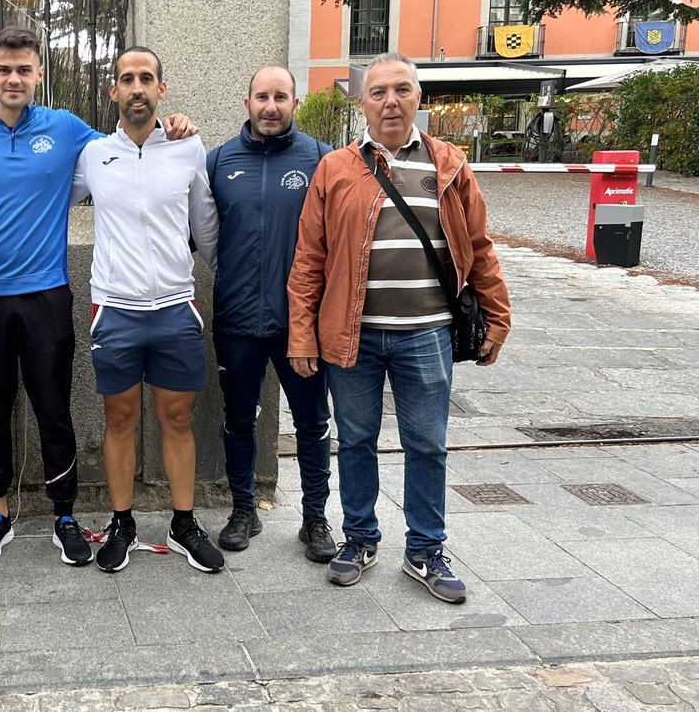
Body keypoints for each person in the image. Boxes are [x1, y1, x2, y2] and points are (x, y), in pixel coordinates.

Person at [0, 26, 195, 567]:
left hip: (47, 295)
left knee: (54, 409)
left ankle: (64, 515)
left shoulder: (67, 131)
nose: (14, 78)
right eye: (4, 69)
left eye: (23, 70)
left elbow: (128, 144)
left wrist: (175, 127)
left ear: (38, 76)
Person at [287, 53, 511, 604]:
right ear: (362, 104)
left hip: (427, 333)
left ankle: (425, 550)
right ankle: (360, 538)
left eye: (402, 90)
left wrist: (498, 316)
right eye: (379, 92)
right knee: (357, 440)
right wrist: (301, 333)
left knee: (427, 444)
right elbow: (309, 259)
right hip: (352, 334)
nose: (391, 101)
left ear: (418, 98)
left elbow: (479, 248)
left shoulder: (450, 165)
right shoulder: (335, 169)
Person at [70, 47, 223, 574]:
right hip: (115, 310)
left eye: (147, 79)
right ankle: (122, 523)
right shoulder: (93, 155)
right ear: (113, 91)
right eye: (126, 79)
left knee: (176, 418)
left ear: (161, 88)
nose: (137, 88)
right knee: (120, 417)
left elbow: (204, 224)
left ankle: (184, 524)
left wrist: (226, 276)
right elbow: (46, 200)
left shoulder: (188, 147)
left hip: (175, 309)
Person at [207, 66, 336, 562]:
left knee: (311, 421)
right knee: (239, 419)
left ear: (294, 103)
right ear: (247, 103)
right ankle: (244, 509)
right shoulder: (218, 161)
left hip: (300, 323)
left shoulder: (321, 159)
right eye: (262, 96)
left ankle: (315, 518)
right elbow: (199, 227)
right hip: (236, 319)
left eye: (280, 97)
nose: (270, 106)